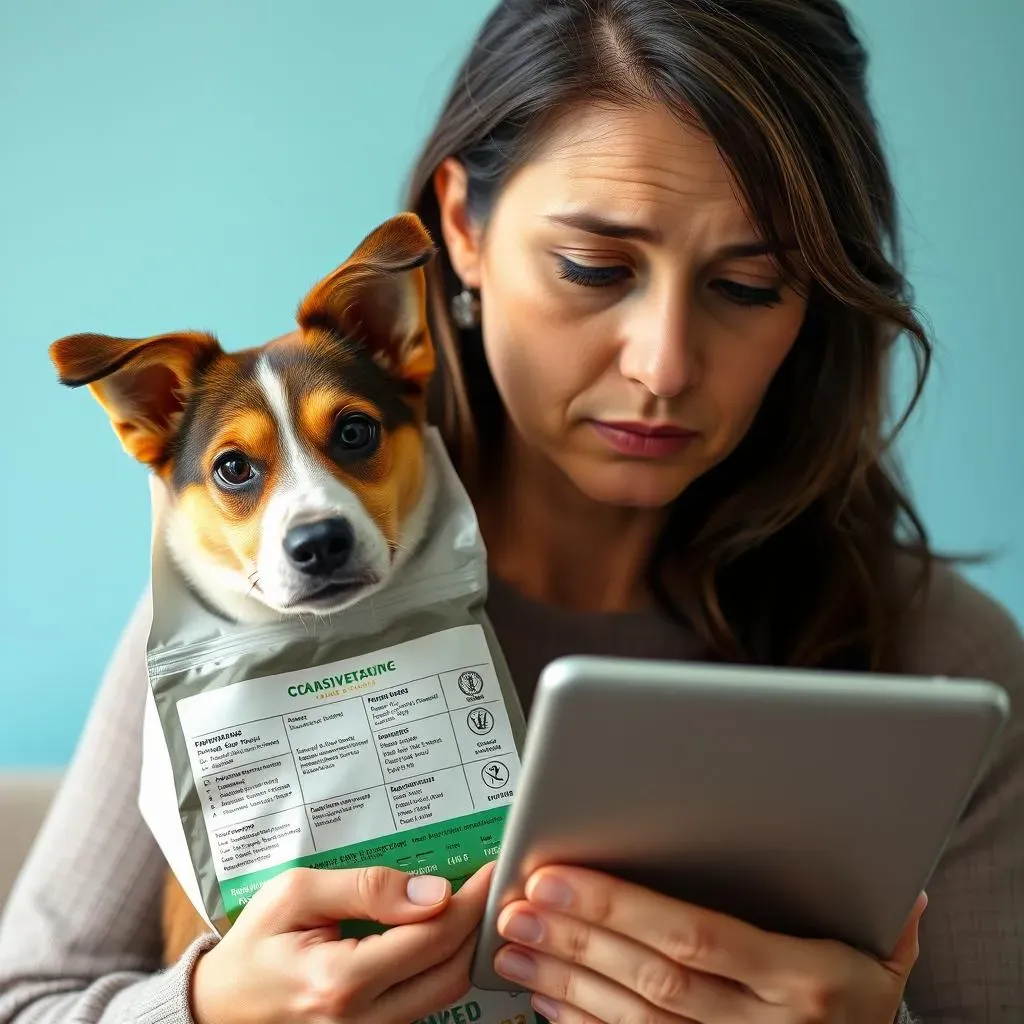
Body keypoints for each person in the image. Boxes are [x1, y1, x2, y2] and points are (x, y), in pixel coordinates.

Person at [1, 1, 1021, 1022]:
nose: (662, 364)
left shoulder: (942, 658)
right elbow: (28, 1001)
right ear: (462, 228)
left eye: (749, 285)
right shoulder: (248, 607)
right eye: (594, 269)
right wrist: (210, 1007)